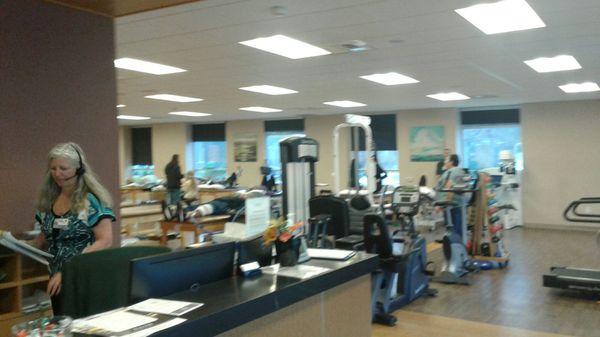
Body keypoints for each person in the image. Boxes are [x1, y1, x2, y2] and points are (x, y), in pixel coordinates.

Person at [33, 142, 115, 313]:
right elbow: (42, 239)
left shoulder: (91, 201)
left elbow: (105, 241)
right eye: (53, 168)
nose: (57, 174)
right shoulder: (49, 200)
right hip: (56, 279)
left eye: (63, 168)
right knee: (62, 325)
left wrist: (68, 272)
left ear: (79, 169)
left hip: (83, 277)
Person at [436, 154, 468, 237]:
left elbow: (449, 187)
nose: (445, 162)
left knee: (454, 229)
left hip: (452, 205)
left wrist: (444, 203)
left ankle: (456, 247)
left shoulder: (454, 171)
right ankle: (455, 245)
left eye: (446, 161)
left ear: (451, 162)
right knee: (455, 229)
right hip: (454, 205)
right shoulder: (454, 171)